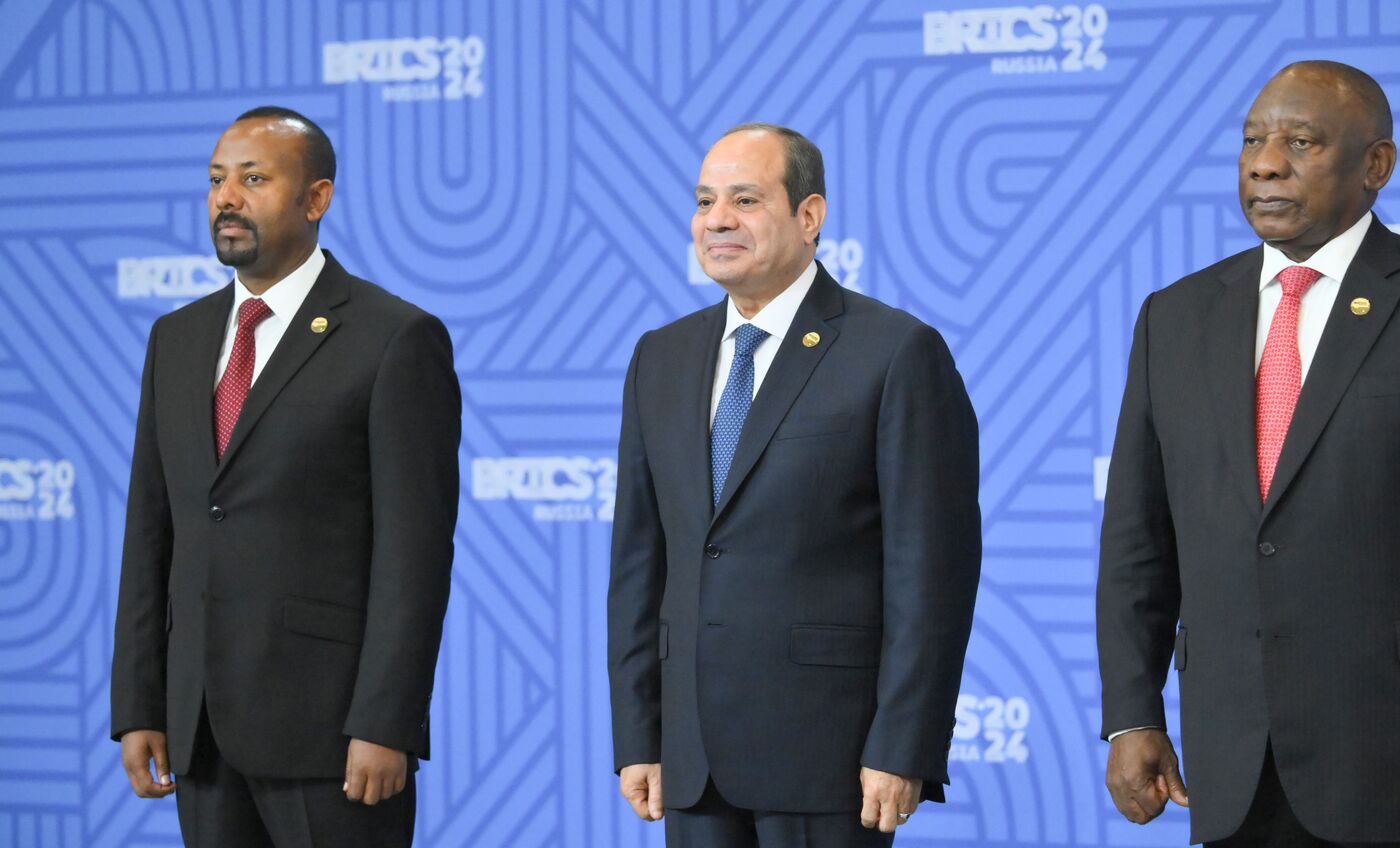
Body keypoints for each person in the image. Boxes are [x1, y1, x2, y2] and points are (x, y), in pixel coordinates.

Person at [607, 122, 981, 846]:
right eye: (705, 201)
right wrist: (639, 732)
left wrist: (902, 744)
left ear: (809, 216)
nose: (717, 219)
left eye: (745, 199)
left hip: (830, 760)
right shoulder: (661, 357)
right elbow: (638, 564)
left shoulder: (896, 353)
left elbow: (932, 573)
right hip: (693, 762)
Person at [110, 106, 461, 847]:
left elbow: (414, 554)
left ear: (317, 198)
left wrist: (385, 721)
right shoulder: (174, 340)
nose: (226, 198)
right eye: (215, 180)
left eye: (254, 178)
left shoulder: (394, 339)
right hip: (199, 727)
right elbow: (152, 531)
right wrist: (141, 703)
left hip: (331, 736)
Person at [1097, 61, 1399, 846]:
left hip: (1382, 761)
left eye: (1301, 141)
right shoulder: (1177, 316)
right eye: (1253, 141)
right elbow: (1137, 537)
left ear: (1376, 166)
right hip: (1232, 765)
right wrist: (1132, 716)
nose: (1265, 162)